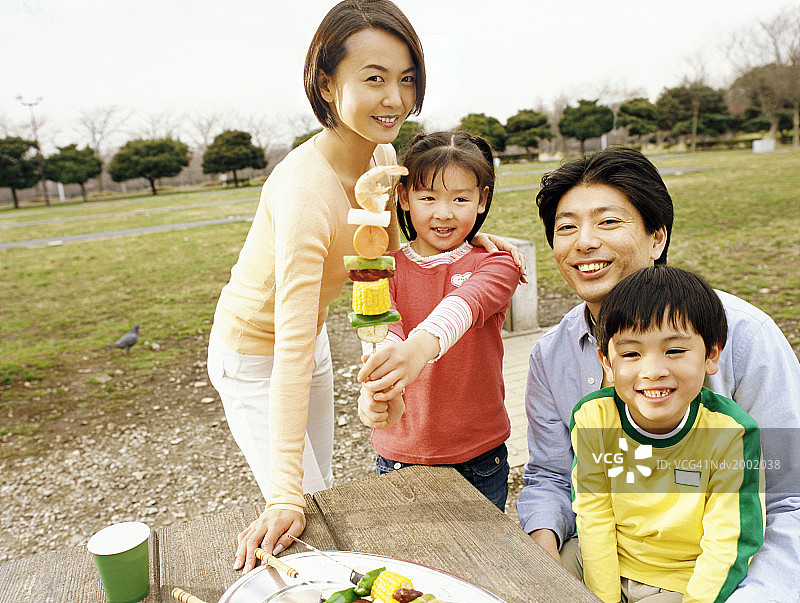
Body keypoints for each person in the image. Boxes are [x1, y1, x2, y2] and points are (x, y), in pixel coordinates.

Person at [207, 0, 523, 574]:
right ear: (328, 84)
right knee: (301, 504)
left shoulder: (381, 154)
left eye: (407, 79)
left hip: (314, 334)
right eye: (373, 79)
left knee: (324, 492)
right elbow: (290, 351)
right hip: (257, 351)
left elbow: (395, 243)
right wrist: (280, 494)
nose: (395, 99)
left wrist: (471, 243)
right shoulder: (306, 192)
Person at [516, 146, 800, 600]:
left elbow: (790, 497)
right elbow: (551, 476)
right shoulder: (552, 355)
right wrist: (545, 562)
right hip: (605, 559)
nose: (583, 241)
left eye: (608, 222)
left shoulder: (745, 335)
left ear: (656, 238)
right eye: (566, 227)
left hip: (717, 573)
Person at [570, 265, 764, 602]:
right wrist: (603, 598)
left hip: (682, 580)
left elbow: (727, 544)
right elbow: (594, 517)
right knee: (525, 575)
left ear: (711, 355)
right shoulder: (593, 417)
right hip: (605, 561)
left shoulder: (731, 433)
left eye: (674, 351)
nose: (654, 371)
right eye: (631, 354)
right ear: (606, 362)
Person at [356, 131, 519, 511]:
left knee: (479, 564)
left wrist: (418, 349)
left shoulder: (497, 263)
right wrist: (376, 390)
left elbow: (465, 305)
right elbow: (379, 338)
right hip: (399, 457)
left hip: (480, 459)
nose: (443, 213)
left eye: (460, 199)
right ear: (403, 198)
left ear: (482, 201)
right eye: (428, 198)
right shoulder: (381, 270)